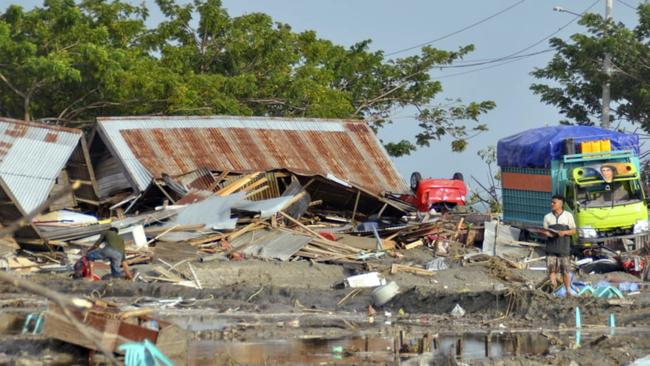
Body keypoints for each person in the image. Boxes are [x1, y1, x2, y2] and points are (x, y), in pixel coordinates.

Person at [543, 195, 577, 295]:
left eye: (554, 202)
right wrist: (546, 234)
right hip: (551, 248)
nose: (552, 204)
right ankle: (553, 290)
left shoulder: (568, 216)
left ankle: (568, 290)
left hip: (564, 248)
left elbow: (574, 230)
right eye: (551, 202)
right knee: (551, 271)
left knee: (565, 271)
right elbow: (545, 231)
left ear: (561, 204)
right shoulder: (547, 217)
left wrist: (564, 232)